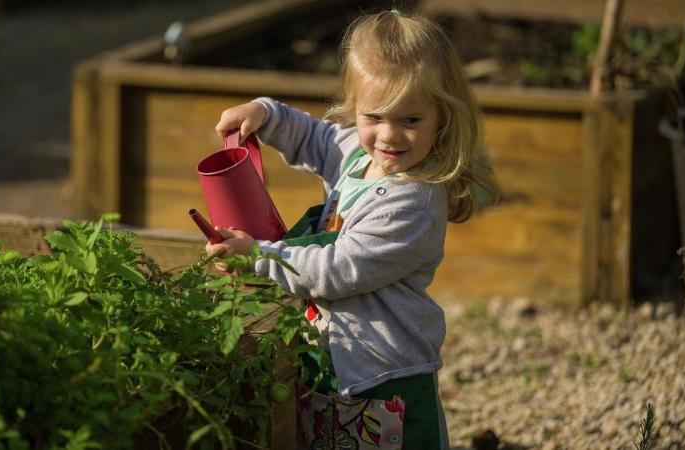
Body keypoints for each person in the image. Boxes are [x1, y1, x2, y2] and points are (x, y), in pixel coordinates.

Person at [206, 9, 498, 449]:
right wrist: (264, 114)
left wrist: (259, 256)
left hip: (384, 375)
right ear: (356, 109)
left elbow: (339, 269)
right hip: (336, 362)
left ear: (443, 119)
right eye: (374, 116)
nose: (389, 135)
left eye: (410, 120)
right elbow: (316, 138)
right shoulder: (360, 156)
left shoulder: (412, 200)